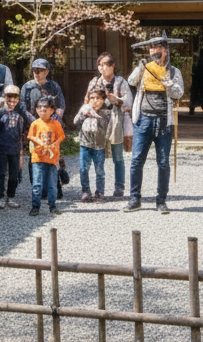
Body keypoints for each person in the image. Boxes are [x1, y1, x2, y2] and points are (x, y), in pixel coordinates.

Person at [124, 33, 184, 214]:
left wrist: (169, 84)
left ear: (165, 51)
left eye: (158, 47)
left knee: (163, 162)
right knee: (136, 160)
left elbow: (179, 93)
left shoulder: (174, 71)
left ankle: (161, 201)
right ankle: (135, 199)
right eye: (151, 48)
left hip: (164, 121)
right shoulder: (145, 67)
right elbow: (131, 81)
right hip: (143, 119)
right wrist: (140, 67)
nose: (154, 51)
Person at [88, 53, 131, 199]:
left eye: (106, 64)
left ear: (113, 66)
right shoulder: (95, 82)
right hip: (98, 121)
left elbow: (128, 102)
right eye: (100, 65)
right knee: (98, 156)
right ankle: (99, 189)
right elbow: (87, 101)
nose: (102, 68)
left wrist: (116, 100)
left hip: (115, 120)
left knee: (118, 156)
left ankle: (119, 187)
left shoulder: (121, 81)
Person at [74, 88, 116, 202]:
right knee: (83, 169)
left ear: (103, 100)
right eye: (92, 98)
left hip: (99, 146)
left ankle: (100, 192)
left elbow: (108, 128)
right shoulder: (84, 109)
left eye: (98, 98)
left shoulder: (106, 113)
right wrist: (84, 115)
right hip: (85, 144)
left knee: (99, 171)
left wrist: (98, 117)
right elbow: (75, 122)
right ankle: (86, 191)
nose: (95, 101)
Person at [0, 84, 28, 208]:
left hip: (15, 148)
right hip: (1, 147)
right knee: (1, 173)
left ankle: (11, 196)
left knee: (14, 174)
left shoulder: (19, 113)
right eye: (9, 97)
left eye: (15, 97)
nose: (12, 100)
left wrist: (21, 151)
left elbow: (22, 131)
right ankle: (0, 197)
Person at [27, 97, 65, 216]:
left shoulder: (56, 124)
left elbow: (61, 136)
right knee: (37, 183)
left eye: (45, 108)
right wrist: (39, 141)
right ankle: (35, 206)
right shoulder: (35, 123)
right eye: (40, 108)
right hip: (37, 158)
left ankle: (52, 206)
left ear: (52, 110)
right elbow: (30, 136)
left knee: (52, 184)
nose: (42, 110)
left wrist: (55, 144)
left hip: (52, 158)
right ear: (36, 110)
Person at [19, 58, 65, 127]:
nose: (36, 74)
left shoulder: (54, 86)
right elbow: (22, 107)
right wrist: (34, 121)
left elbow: (61, 106)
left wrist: (53, 120)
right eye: (34, 70)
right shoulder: (27, 87)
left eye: (39, 71)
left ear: (46, 72)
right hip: (32, 124)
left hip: (51, 125)